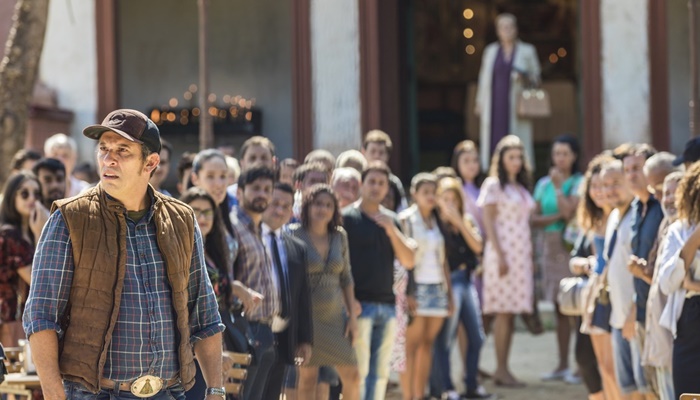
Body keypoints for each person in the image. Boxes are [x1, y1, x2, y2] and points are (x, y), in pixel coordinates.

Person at [23, 109, 224, 400]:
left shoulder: (181, 219)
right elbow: (40, 318)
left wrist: (216, 391)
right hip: (98, 394)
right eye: (103, 149)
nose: (109, 159)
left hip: (168, 392)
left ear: (151, 162)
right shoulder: (70, 218)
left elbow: (204, 314)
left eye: (123, 151)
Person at [343, 161, 416, 400]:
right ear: (361, 184)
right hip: (359, 306)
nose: (376, 187)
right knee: (360, 373)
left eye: (381, 183)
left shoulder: (393, 220)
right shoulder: (347, 218)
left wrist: (391, 230)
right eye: (371, 182)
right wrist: (349, 302)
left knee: (381, 375)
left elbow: (409, 260)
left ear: (387, 188)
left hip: (388, 305)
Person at [290, 184, 361, 400]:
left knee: (353, 375)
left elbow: (346, 277)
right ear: (307, 206)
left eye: (328, 205)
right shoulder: (293, 234)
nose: (323, 209)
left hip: (335, 318)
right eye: (318, 203)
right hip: (306, 319)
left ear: (335, 209)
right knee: (307, 379)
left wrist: (352, 316)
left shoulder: (340, 236)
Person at [476, 135, 535, 387]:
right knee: (501, 311)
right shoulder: (493, 185)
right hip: (503, 255)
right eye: (511, 157)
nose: (516, 162)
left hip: (521, 256)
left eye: (519, 157)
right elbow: (488, 222)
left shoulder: (520, 188)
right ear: (500, 159)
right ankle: (495, 368)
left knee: (509, 314)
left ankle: (502, 367)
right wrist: (500, 255)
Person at [431, 177, 491, 400]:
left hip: (467, 280)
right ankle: (447, 388)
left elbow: (478, 246)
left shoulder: (466, 220)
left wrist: (460, 222)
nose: (449, 204)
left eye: (453, 200)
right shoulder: (435, 224)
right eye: (445, 199)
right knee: (446, 339)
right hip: (450, 281)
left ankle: (471, 385)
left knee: (477, 338)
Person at [531, 134, 583, 381]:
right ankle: (562, 364)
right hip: (549, 248)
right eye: (556, 153)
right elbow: (533, 219)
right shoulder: (542, 184)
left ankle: (580, 365)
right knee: (558, 307)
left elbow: (569, 210)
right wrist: (557, 219)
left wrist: (559, 188)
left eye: (565, 153)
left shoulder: (579, 182)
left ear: (574, 156)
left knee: (575, 306)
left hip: (570, 247)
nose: (560, 158)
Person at [570, 154, 621, 400]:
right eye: (596, 186)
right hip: (595, 296)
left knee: (613, 367)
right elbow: (576, 259)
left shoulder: (620, 216)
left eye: (607, 185)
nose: (601, 191)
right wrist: (584, 264)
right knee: (594, 362)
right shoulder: (592, 220)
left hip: (614, 296)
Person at [398, 173, 453, 400]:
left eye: (434, 192)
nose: (431, 197)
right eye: (426, 192)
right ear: (414, 194)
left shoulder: (439, 219)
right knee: (410, 346)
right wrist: (407, 291)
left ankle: (419, 396)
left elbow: (444, 260)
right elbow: (402, 260)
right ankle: (408, 396)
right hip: (416, 287)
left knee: (427, 345)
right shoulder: (405, 219)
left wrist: (449, 293)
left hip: (437, 287)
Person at [600, 157, 651, 399]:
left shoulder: (638, 217)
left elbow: (644, 270)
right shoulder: (612, 218)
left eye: (616, 183)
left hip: (636, 315)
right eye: (605, 185)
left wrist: (634, 310)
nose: (610, 190)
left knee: (646, 388)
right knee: (628, 389)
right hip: (617, 316)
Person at [230, 165, 280, 400]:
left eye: (267, 189)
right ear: (239, 192)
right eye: (255, 188)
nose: (262, 194)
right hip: (244, 328)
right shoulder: (233, 227)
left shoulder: (261, 230)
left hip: (266, 327)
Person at [261, 183, 314, 400]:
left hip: (283, 337)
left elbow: (303, 296)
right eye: (275, 203)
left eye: (286, 206)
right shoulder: (248, 238)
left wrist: (305, 339)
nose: (280, 210)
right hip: (254, 334)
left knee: (272, 394)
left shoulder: (296, 247)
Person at [656, 162, 700, 398]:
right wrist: (694, 239)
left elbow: (683, 282)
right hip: (689, 318)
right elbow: (667, 283)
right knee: (689, 393)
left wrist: (692, 284)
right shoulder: (679, 231)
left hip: (691, 301)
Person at [475, 13, 541, 170]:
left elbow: (537, 79)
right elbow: (483, 78)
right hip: (494, 104)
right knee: (493, 141)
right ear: (498, 31)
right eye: (503, 27)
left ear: (516, 29)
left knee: (516, 141)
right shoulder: (490, 51)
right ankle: (494, 174)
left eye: (510, 26)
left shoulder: (527, 51)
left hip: (515, 105)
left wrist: (523, 76)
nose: (507, 30)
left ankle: (518, 172)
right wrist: (479, 102)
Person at [643, 170, 683, 400]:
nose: (667, 199)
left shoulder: (685, 231)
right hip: (660, 336)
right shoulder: (666, 227)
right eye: (665, 193)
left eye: (674, 193)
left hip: (680, 339)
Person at [0, 172, 48, 346]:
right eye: (24, 193)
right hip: (11, 319)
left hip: (24, 318)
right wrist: (40, 234)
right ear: (12, 196)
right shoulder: (9, 234)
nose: (32, 199)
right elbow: (37, 279)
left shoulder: (26, 233)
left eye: (37, 194)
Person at [361, 130, 407, 211]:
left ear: (387, 156)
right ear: (364, 152)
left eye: (381, 152)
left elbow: (402, 211)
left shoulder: (394, 183)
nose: (377, 156)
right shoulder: (355, 180)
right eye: (373, 151)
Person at [226, 136, 277, 208]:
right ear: (242, 163)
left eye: (264, 158)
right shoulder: (228, 197)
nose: (258, 162)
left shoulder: (282, 197)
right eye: (252, 158)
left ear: (273, 162)